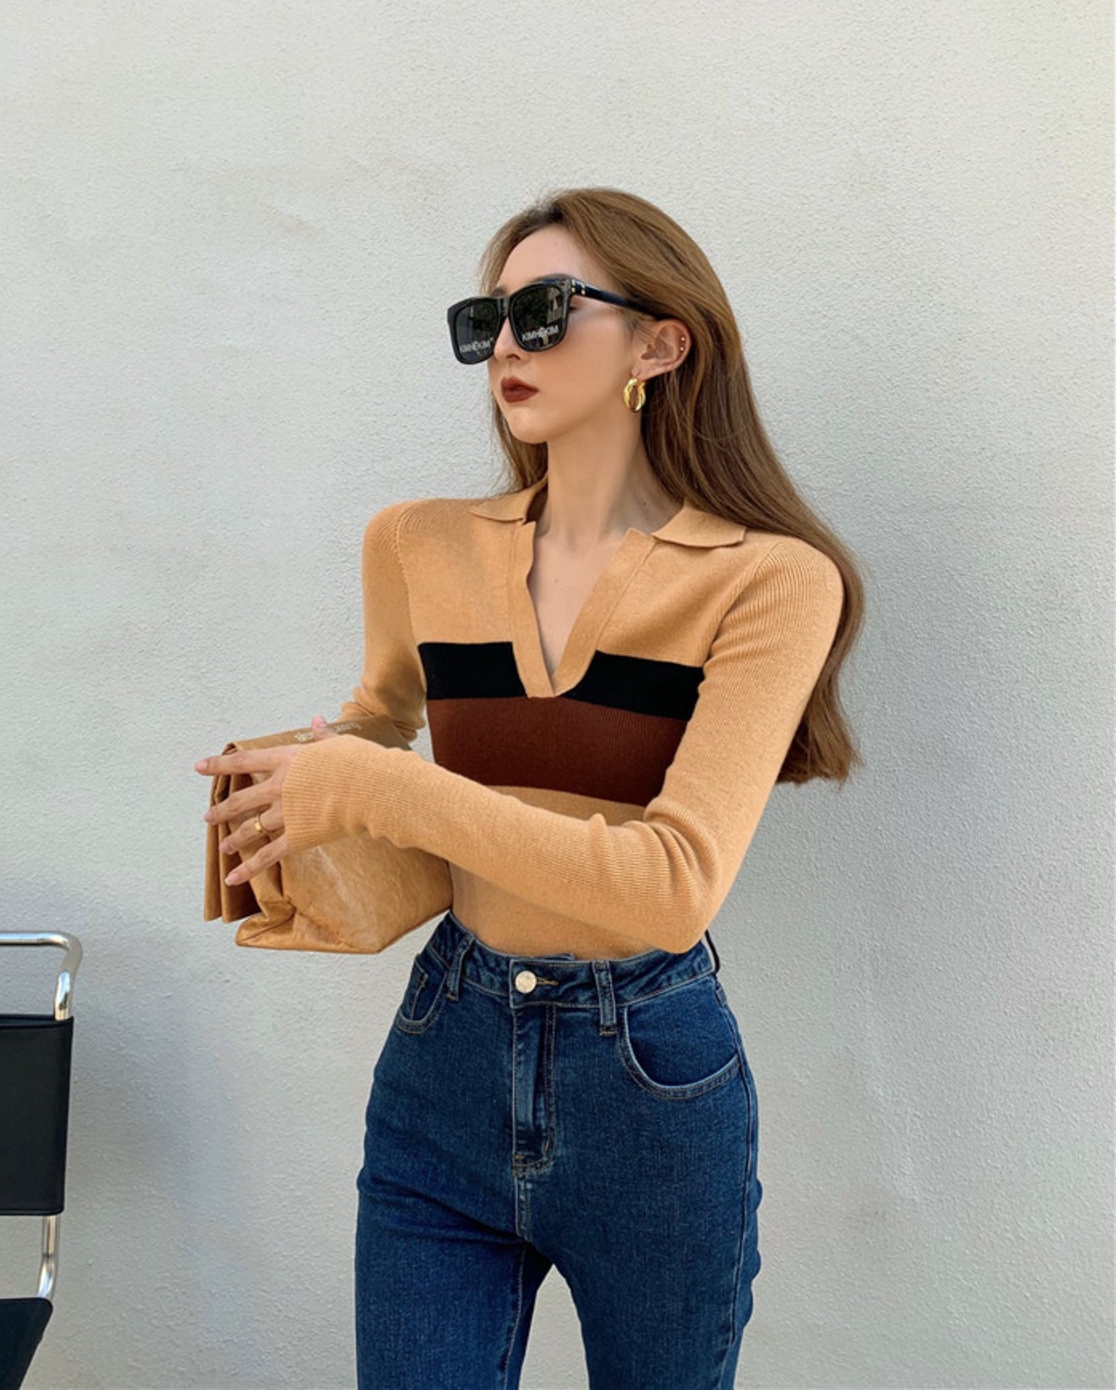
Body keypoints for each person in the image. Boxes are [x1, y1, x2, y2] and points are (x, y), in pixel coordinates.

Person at [205, 187, 864, 1389]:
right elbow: (378, 721)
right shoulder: (416, 543)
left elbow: (672, 887)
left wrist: (378, 788)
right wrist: (292, 776)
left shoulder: (769, 580)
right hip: (443, 1053)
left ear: (660, 345)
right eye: (487, 320)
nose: (506, 343)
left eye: (544, 310)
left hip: (649, 1082)